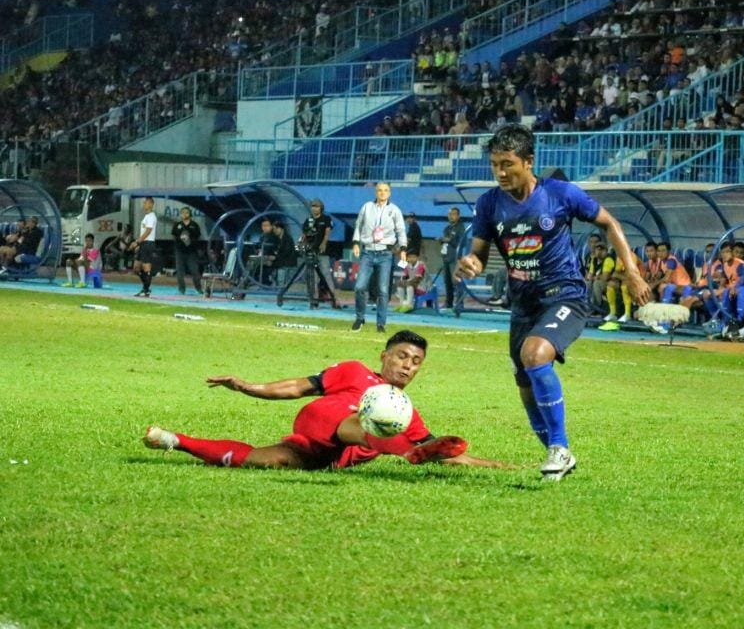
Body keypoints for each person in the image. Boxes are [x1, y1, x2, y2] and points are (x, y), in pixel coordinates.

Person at [455, 124, 651, 481]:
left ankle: (559, 448)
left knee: (535, 355)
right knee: (524, 380)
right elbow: (478, 255)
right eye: (495, 164)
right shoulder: (488, 204)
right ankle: (557, 455)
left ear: (529, 161)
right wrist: (471, 263)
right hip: (523, 303)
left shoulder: (559, 194)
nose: (500, 172)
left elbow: (609, 223)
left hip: (565, 295)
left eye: (508, 164)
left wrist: (633, 272)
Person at [142, 330, 508, 471]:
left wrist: (501, 467)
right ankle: (409, 453)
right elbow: (297, 387)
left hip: (321, 453)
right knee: (370, 418)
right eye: (401, 356)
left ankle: (174, 440)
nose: (407, 366)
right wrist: (247, 387)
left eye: (415, 363)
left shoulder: (408, 416)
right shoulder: (353, 371)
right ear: (384, 356)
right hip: (326, 418)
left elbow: (450, 454)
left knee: (263, 461)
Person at [351, 183, 407, 333]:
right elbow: (358, 225)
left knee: (383, 290)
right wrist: (356, 243)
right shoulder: (367, 207)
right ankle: (360, 318)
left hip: (385, 254)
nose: (382, 193)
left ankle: (381, 323)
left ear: (390, 193)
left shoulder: (394, 210)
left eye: (386, 190)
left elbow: (401, 230)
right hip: (367, 252)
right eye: (380, 190)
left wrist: (403, 248)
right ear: (376, 192)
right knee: (359, 287)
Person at [301, 199, 338, 305]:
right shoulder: (308, 220)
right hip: (310, 251)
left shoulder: (326, 219)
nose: (314, 208)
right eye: (313, 206)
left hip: (322, 252)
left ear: (321, 207)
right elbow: (304, 235)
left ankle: (334, 299)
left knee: (326, 275)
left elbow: (327, 233)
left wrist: (324, 243)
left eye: (316, 206)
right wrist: (303, 244)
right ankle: (314, 299)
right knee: (313, 277)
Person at [439, 207, 466, 309]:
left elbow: (462, 243)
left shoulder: (461, 228)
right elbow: (446, 242)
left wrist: (448, 240)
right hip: (446, 257)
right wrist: (442, 240)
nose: (451, 216)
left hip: (455, 259)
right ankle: (448, 303)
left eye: (453, 214)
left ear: (458, 216)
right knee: (447, 282)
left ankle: (459, 304)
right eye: (449, 214)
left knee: (456, 281)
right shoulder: (447, 228)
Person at [129, 197, 157, 297]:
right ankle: (146, 288)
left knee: (146, 268)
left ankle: (146, 290)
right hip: (143, 244)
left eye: (146, 202)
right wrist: (140, 244)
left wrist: (137, 242)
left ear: (151, 204)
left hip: (148, 244)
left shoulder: (151, 216)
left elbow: (148, 231)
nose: (144, 204)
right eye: (144, 203)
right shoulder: (147, 216)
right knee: (136, 268)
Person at [171, 206, 202, 295]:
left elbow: (198, 237)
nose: (185, 214)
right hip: (180, 251)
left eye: (186, 212)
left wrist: (190, 242)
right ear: (181, 214)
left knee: (195, 271)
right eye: (183, 212)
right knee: (179, 271)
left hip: (191, 252)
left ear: (190, 214)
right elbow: (173, 236)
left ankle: (198, 288)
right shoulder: (177, 225)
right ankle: (181, 289)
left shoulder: (194, 225)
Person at [271, 220, 297, 288]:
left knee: (281, 279)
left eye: (275, 229)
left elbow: (286, 252)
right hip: (281, 262)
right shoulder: (277, 239)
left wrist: (275, 257)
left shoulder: (287, 238)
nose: (274, 231)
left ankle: (280, 292)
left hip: (286, 263)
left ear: (280, 228)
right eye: (273, 229)